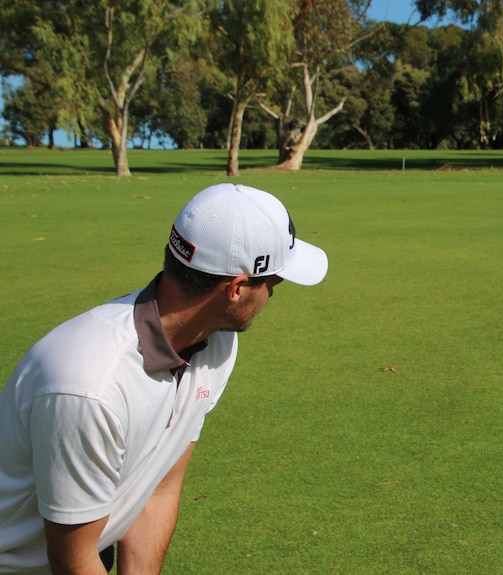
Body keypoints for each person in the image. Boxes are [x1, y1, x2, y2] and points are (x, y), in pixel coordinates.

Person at [0, 183, 328, 574]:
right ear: (237, 290)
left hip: (86, 543)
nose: (273, 296)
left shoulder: (215, 342)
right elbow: (71, 560)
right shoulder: (89, 386)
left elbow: (157, 488)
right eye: (272, 284)